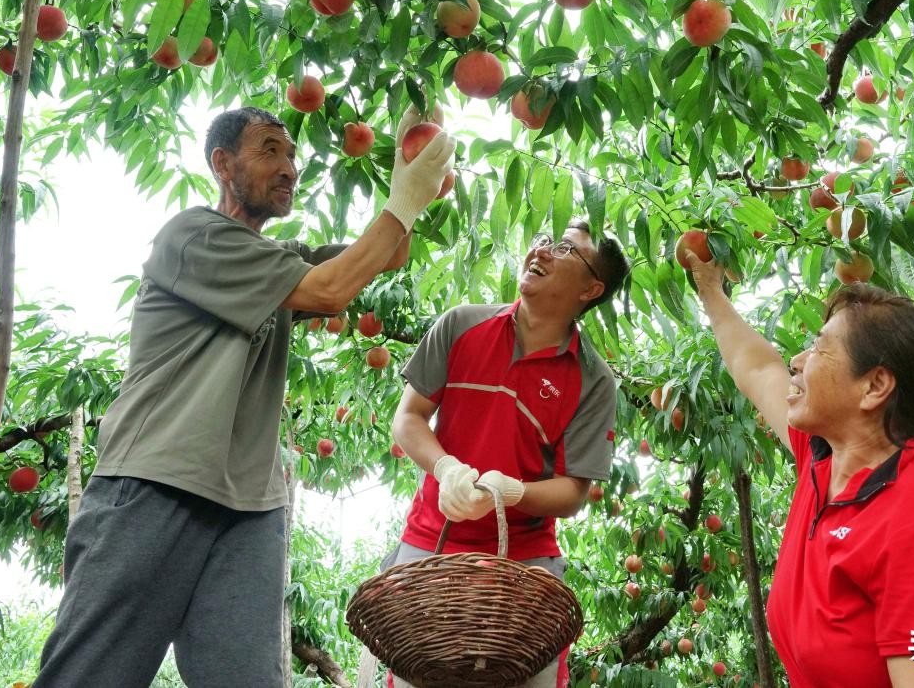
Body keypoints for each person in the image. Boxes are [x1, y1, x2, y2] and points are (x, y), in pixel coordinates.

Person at [32, 106, 455, 688]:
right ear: (222, 164)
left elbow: (389, 254)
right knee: (91, 675)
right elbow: (331, 292)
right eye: (269, 151)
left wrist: (404, 170)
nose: (289, 168)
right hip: (155, 482)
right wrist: (402, 202)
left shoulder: (281, 260)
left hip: (251, 507)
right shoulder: (192, 235)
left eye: (292, 156)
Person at [687, 252, 914, 688]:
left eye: (820, 347)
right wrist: (710, 290)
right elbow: (757, 365)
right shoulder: (825, 459)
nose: (797, 360)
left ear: (875, 386)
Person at [383, 222, 630, 688]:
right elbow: (408, 418)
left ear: (591, 288)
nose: (542, 250)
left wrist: (512, 492)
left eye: (564, 249)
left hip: (524, 566)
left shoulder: (593, 380)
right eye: (543, 239)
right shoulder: (460, 325)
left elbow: (575, 492)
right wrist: (445, 466)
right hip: (431, 546)